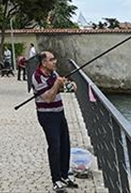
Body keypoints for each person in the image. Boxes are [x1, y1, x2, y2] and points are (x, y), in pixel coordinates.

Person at [31, 50, 77, 191]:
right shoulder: (37, 77)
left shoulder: (53, 74)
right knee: (54, 146)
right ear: (44, 63)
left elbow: (61, 89)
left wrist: (70, 86)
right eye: (51, 60)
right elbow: (48, 97)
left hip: (59, 113)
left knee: (65, 144)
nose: (55, 61)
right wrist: (57, 84)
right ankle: (56, 180)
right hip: (47, 116)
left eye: (54, 59)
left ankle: (64, 175)